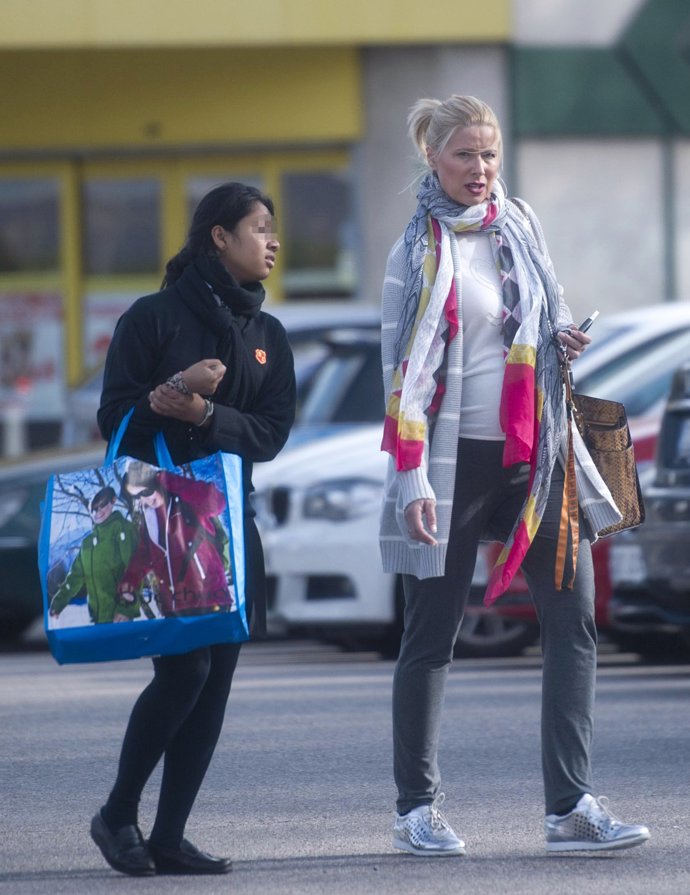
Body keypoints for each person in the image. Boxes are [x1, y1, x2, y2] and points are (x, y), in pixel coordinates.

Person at [379, 95, 650, 856]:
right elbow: (401, 371)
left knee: (575, 618)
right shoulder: (417, 250)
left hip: (538, 451)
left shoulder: (520, 225)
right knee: (430, 632)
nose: (480, 169)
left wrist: (558, 335)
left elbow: (544, 310)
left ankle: (570, 805)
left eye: (490, 154)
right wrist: (411, 481)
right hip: (450, 458)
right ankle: (416, 808)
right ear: (433, 159)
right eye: (465, 154)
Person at [90, 182, 296, 876]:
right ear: (219, 236)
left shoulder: (266, 334)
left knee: (215, 680)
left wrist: (207, 416)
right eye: (258, 228)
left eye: (272, 231)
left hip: (231, 524)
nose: (271, 242)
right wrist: (171, 393)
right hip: (158, 522)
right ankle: (118, 813)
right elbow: (114, 417)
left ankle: (169, 835)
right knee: (186, 668)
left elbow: (269, 435)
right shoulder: (151, 317)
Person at [118, 462, 231, 616]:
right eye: (137, 496)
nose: (144, 500)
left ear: (156, 481)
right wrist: (130, 579)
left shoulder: (187, 501)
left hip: (210, 599)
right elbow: (144, 555)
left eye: (146, 492)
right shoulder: (149, 518)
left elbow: (218, 503)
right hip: (174, 608)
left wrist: (169, 480)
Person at [49, 486, 139, 624]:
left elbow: (135, 567)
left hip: (120, 616)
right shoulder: (87, 543)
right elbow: (75, 577)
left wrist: (126, 608)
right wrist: (58, 602)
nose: (98, 512)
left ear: (113, 501)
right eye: (94, 509)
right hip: (98, 618)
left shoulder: (122, 528)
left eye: (102, 505)